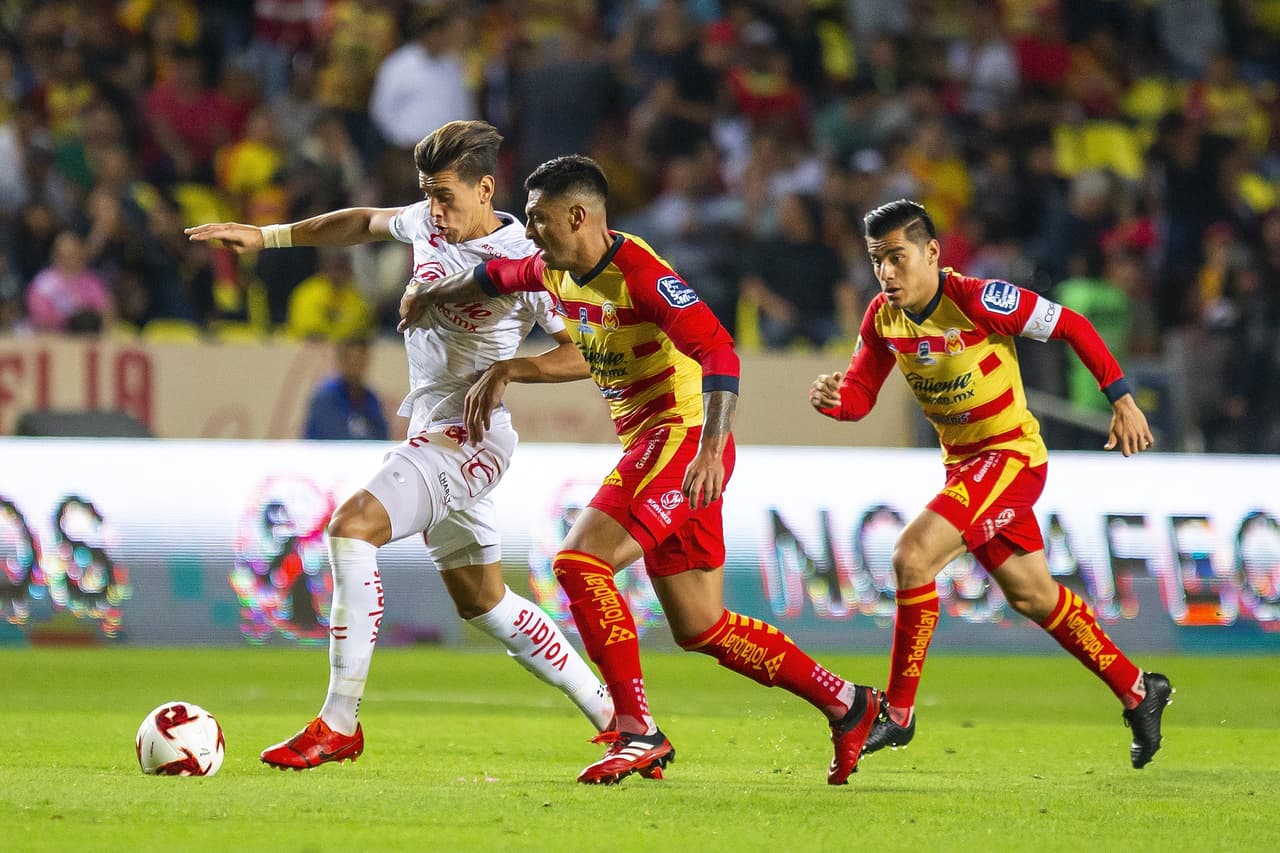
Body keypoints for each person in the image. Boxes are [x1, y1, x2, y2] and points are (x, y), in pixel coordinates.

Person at [399, 154, 880, 786]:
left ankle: (635, 730)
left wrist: (711, 447)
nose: (532, 233)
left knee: (579, 562)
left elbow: (719, 349)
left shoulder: (639, 274)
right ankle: (850, 705)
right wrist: (435, 294)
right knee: (701, 625)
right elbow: (493, 276)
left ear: (579, 215)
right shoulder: (552, 269)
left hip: (682, 439)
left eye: (540, 220)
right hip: (653, 444)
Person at [186, 120, 613, 769]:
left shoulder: (527, 261)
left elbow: (584, 351)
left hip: (469, 438)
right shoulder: (426, 222)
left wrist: (509, 370)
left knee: (352, 528)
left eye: (444, 195)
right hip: (430, 432)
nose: (432, 210)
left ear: (486, 189)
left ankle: (339, 721)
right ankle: (614, 715)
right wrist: (267, 237)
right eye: (427, 194)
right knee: (486, 603)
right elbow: (362, 222)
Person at [807, 199, 1173, 770]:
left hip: (1009, 458)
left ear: (932, 252)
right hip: (964, 467)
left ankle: (897, 714)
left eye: (897, 257)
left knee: (911, 557)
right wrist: (834, 400)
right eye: (877, 259)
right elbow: (859, 398)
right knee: (1033, 595)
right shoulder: (882, 317)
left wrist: (1121, 399)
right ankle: (1138, 690)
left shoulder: (978, 299)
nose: (886, 272)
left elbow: (1072, 325)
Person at [302, 337, 390, 441]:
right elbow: (334, 437)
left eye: (359, 359)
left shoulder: (371, 398)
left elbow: (382, 438)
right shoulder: (325, 397)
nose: (354, 365)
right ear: (340, 359)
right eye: (349, 359)